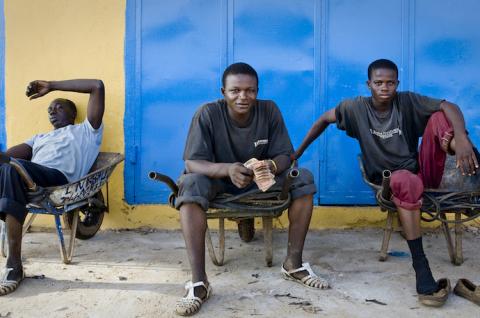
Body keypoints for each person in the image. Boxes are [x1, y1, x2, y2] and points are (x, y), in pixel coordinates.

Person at [294, 58, 478, 307]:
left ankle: (470, 153)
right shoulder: (355, 107)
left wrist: (461, 137)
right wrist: (297, 154)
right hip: (390, 181)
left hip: (421, 172)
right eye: (378, 83)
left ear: (397, 84)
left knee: (439, 116)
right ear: (368, 84)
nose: (384, 88)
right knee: (404, 180)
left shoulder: (408, 101)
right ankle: (421, 269)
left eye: (390, 83)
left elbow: (449, 105)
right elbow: (323, 120)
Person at [175, 62, 329, 316]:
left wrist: (270, 164)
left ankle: (293, 263)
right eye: (235, 91)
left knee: (303, 177)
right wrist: (227, 170)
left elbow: (285, 155)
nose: (243, 97)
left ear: (258, 91)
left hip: (260, 183)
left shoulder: (269, 110)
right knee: (190, 184)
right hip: (219, 182)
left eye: (250, 90)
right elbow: (192, 162)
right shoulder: (207, 113)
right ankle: (199, 283)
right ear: (223, 91)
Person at [0, 79, 105, 295]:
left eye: (58, 107)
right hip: (29, 176)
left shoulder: (86, 131)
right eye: (49, 109)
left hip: (60, 180)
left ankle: (14, 265)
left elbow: (97, 86)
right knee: (8, 168)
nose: (52, 112)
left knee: (11, 169)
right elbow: (6, 157)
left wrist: (52, 86)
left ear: (73, 112)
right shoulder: (39, 138)